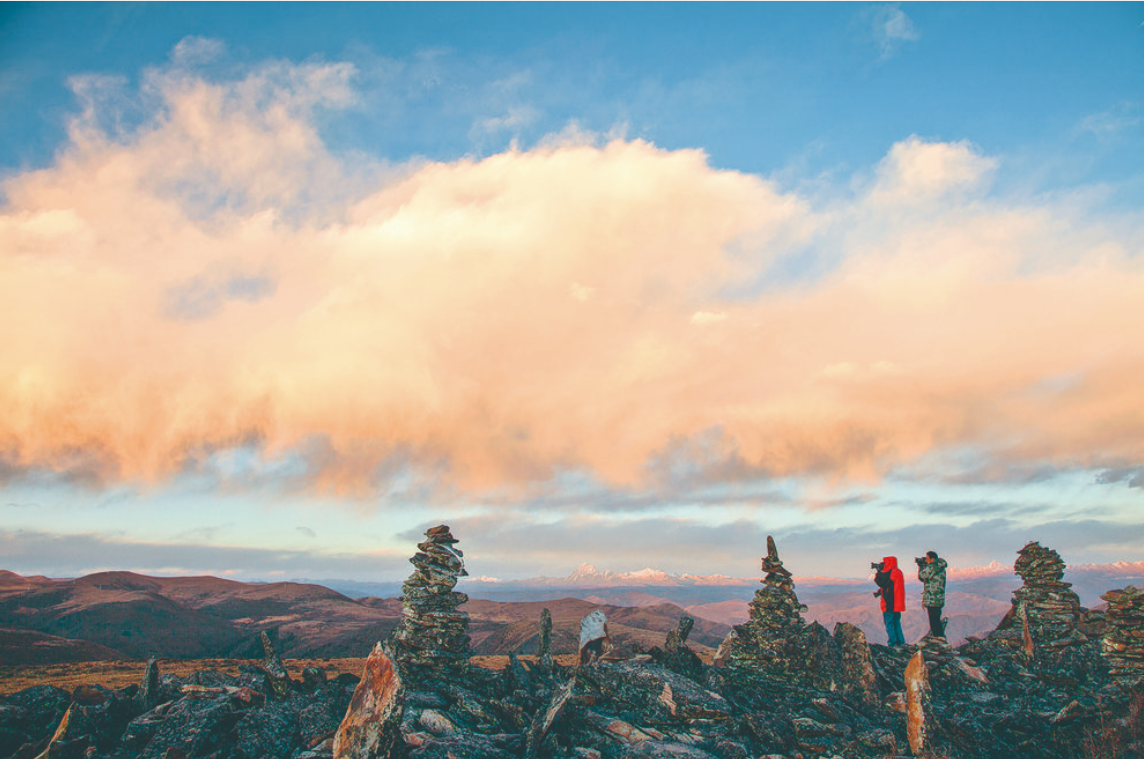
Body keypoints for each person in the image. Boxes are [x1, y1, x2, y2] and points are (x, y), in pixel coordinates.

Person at [873, 556, 906, 646]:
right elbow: (889, 585)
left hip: (889, 603)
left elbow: (881, 582)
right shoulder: (898, 572)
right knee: (896, 623)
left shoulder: (891, 572)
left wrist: (878, 571)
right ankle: (901, 642)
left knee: (889, 624)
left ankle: (892, 643)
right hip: (897, 603)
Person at [918, 550, 948, 639]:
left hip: (932, 598)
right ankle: (940, 638)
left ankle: (938, 638)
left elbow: (922, 576)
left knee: (934, 621)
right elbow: (926, 578)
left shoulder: (932, 566)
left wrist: (921, 566)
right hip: (938, 598)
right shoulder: (940, 567)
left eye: (927, 558)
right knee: (936, 619)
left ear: (932, 559)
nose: (926, 560)